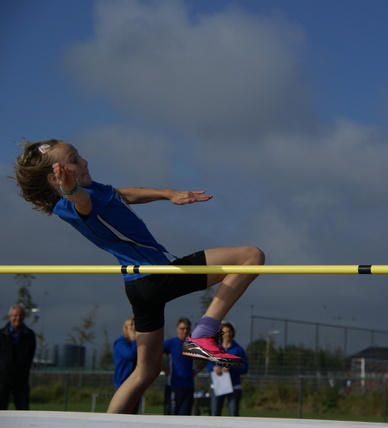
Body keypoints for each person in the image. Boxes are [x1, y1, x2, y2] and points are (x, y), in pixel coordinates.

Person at [13, 139, 265, 414]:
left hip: (139, 286)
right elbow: (81, 202)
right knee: (251, 256)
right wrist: (71, 188)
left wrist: (169, 194)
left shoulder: (93, 189)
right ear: (56, 177)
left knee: (145, 372)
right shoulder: (73, 203)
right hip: (157, 275)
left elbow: (125, 194)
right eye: (74, 160)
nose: (84, 162)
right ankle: (204, 334)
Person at [0, 305, 37, 410]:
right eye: (15, 315)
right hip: (3, 379)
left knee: (23, 409)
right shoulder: (1, 335)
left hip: (21, 379)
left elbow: (29, 355)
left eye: (20, 315)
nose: (18, 318)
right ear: (10, 317)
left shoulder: (29, 335)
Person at [208, 321, 247, 416]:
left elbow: (244, 368)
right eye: (224, 332)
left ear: (233, 333)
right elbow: (209, 365)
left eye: (229, 332)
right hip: (218, 385)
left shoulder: (238, 350)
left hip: (234, 386)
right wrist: (214, 368)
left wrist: (232, 367)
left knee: (233, 414)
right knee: (214, 414)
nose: (227, 334)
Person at [163, 318, 201, 415]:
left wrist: (197, 370)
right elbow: (154, 354)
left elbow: (205, 358)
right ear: (177, 329)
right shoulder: (170, 343)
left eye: (187, 329)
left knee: (185, 415)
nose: (185, 331)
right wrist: (164, 369)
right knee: (171, 414)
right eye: (182, 328)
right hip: (174, 385)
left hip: (188, 385)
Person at [113, 318, 139, 414]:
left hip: (135, 383)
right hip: (122, 382)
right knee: (122, 412)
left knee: (133, 412)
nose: (134, 327)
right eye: (131, 325)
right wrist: (134, 340)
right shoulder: (120, 342)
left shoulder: (137, 343)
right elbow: (130, 355)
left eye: (135, 325)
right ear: (126, 328)